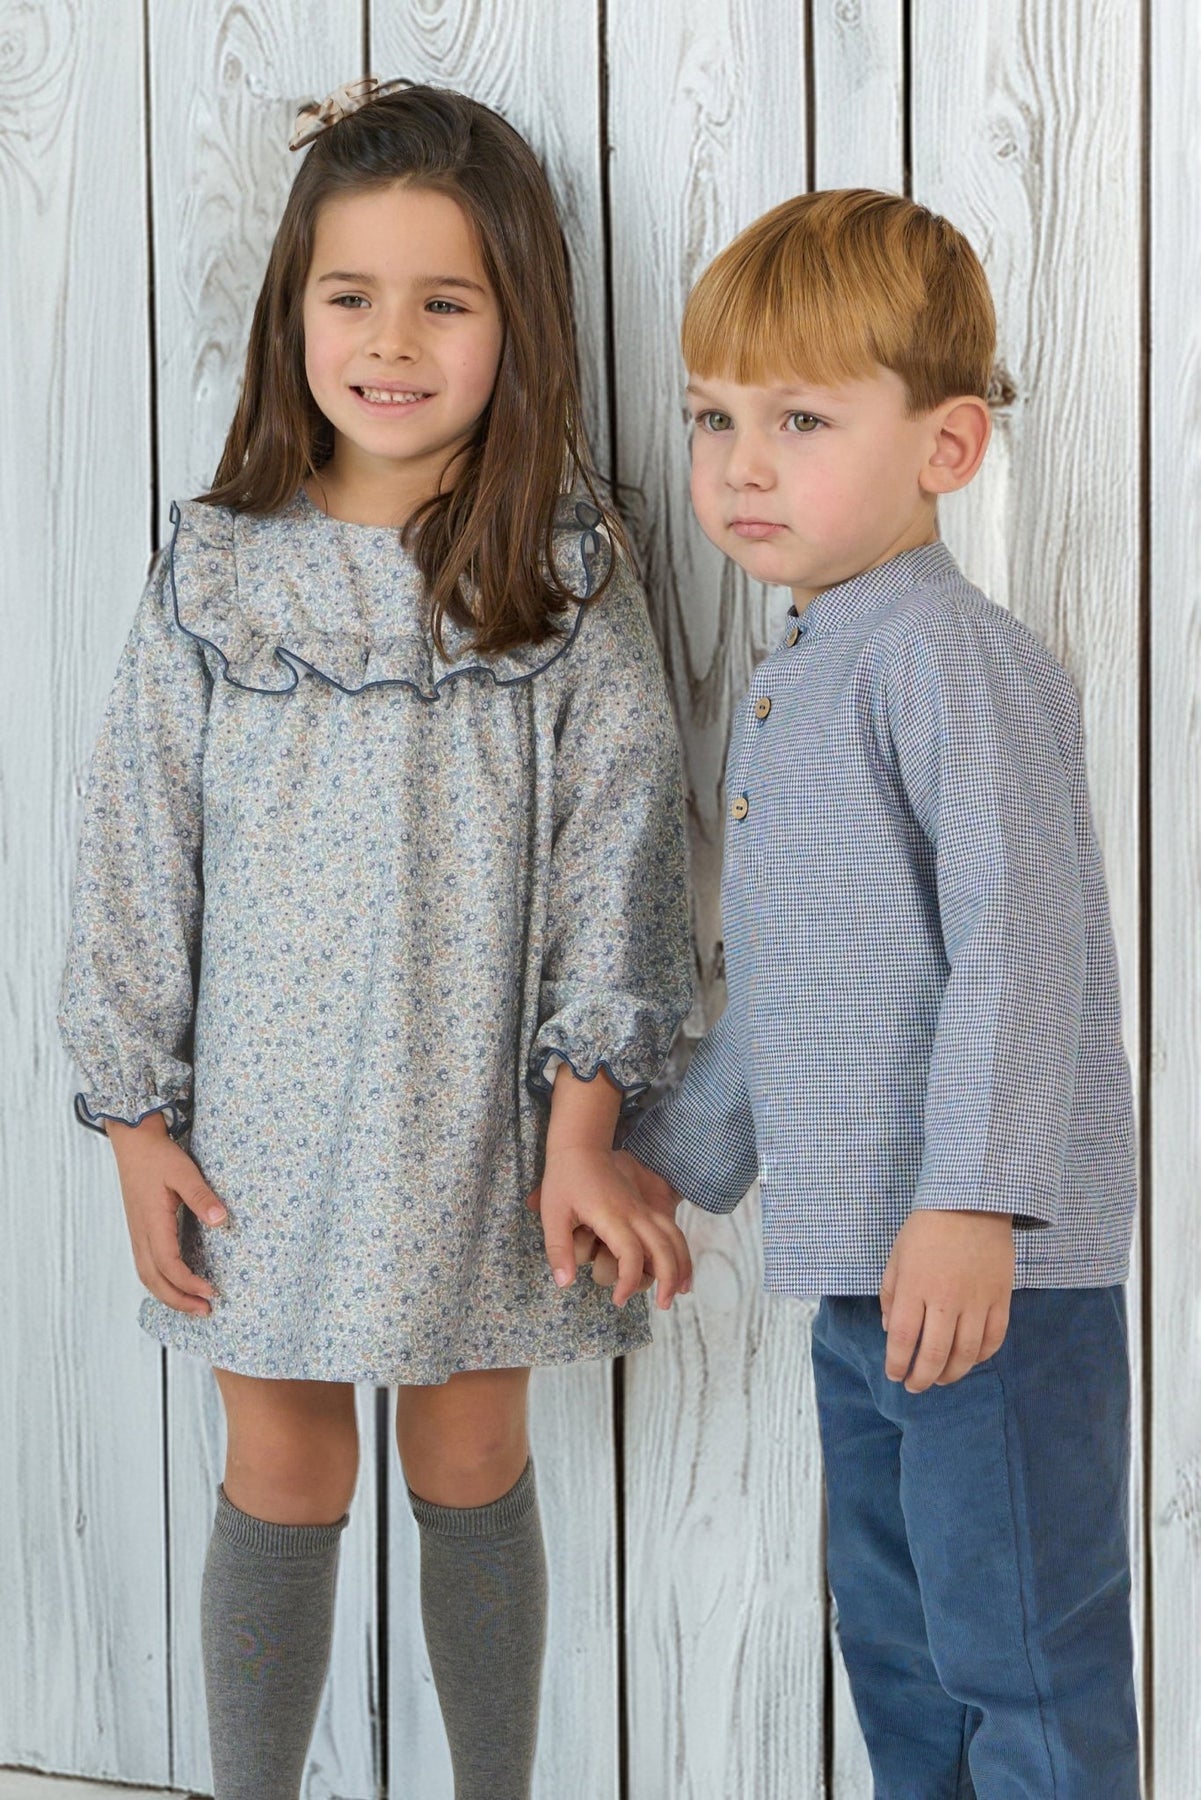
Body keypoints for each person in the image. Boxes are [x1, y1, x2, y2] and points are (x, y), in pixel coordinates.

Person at [58, 78, 694, 1800]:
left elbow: (621, 854)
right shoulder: (217, 573)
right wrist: (134, 1122)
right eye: (352, 295)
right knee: (278, 1464)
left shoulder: (564, 576)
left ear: (517, 321)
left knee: (473, 1456)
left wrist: (583, 1125)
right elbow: (134, 852)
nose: (391, 341)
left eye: (444, 300)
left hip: (486, 1136)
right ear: (295, 311)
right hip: (258, 1140)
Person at [602, 190, 1140, 1795]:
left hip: (990, 1272)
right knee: (899, 1643)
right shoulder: (811, 664)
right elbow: (794, 986)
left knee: (1018, 1646)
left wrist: (973, 1200)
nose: (739, 464)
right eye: (713, 417)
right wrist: (666, 1165)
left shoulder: (947, 660)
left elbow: (1022, 944)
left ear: (945, 446)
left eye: (799, 420)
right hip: (859, 1265)